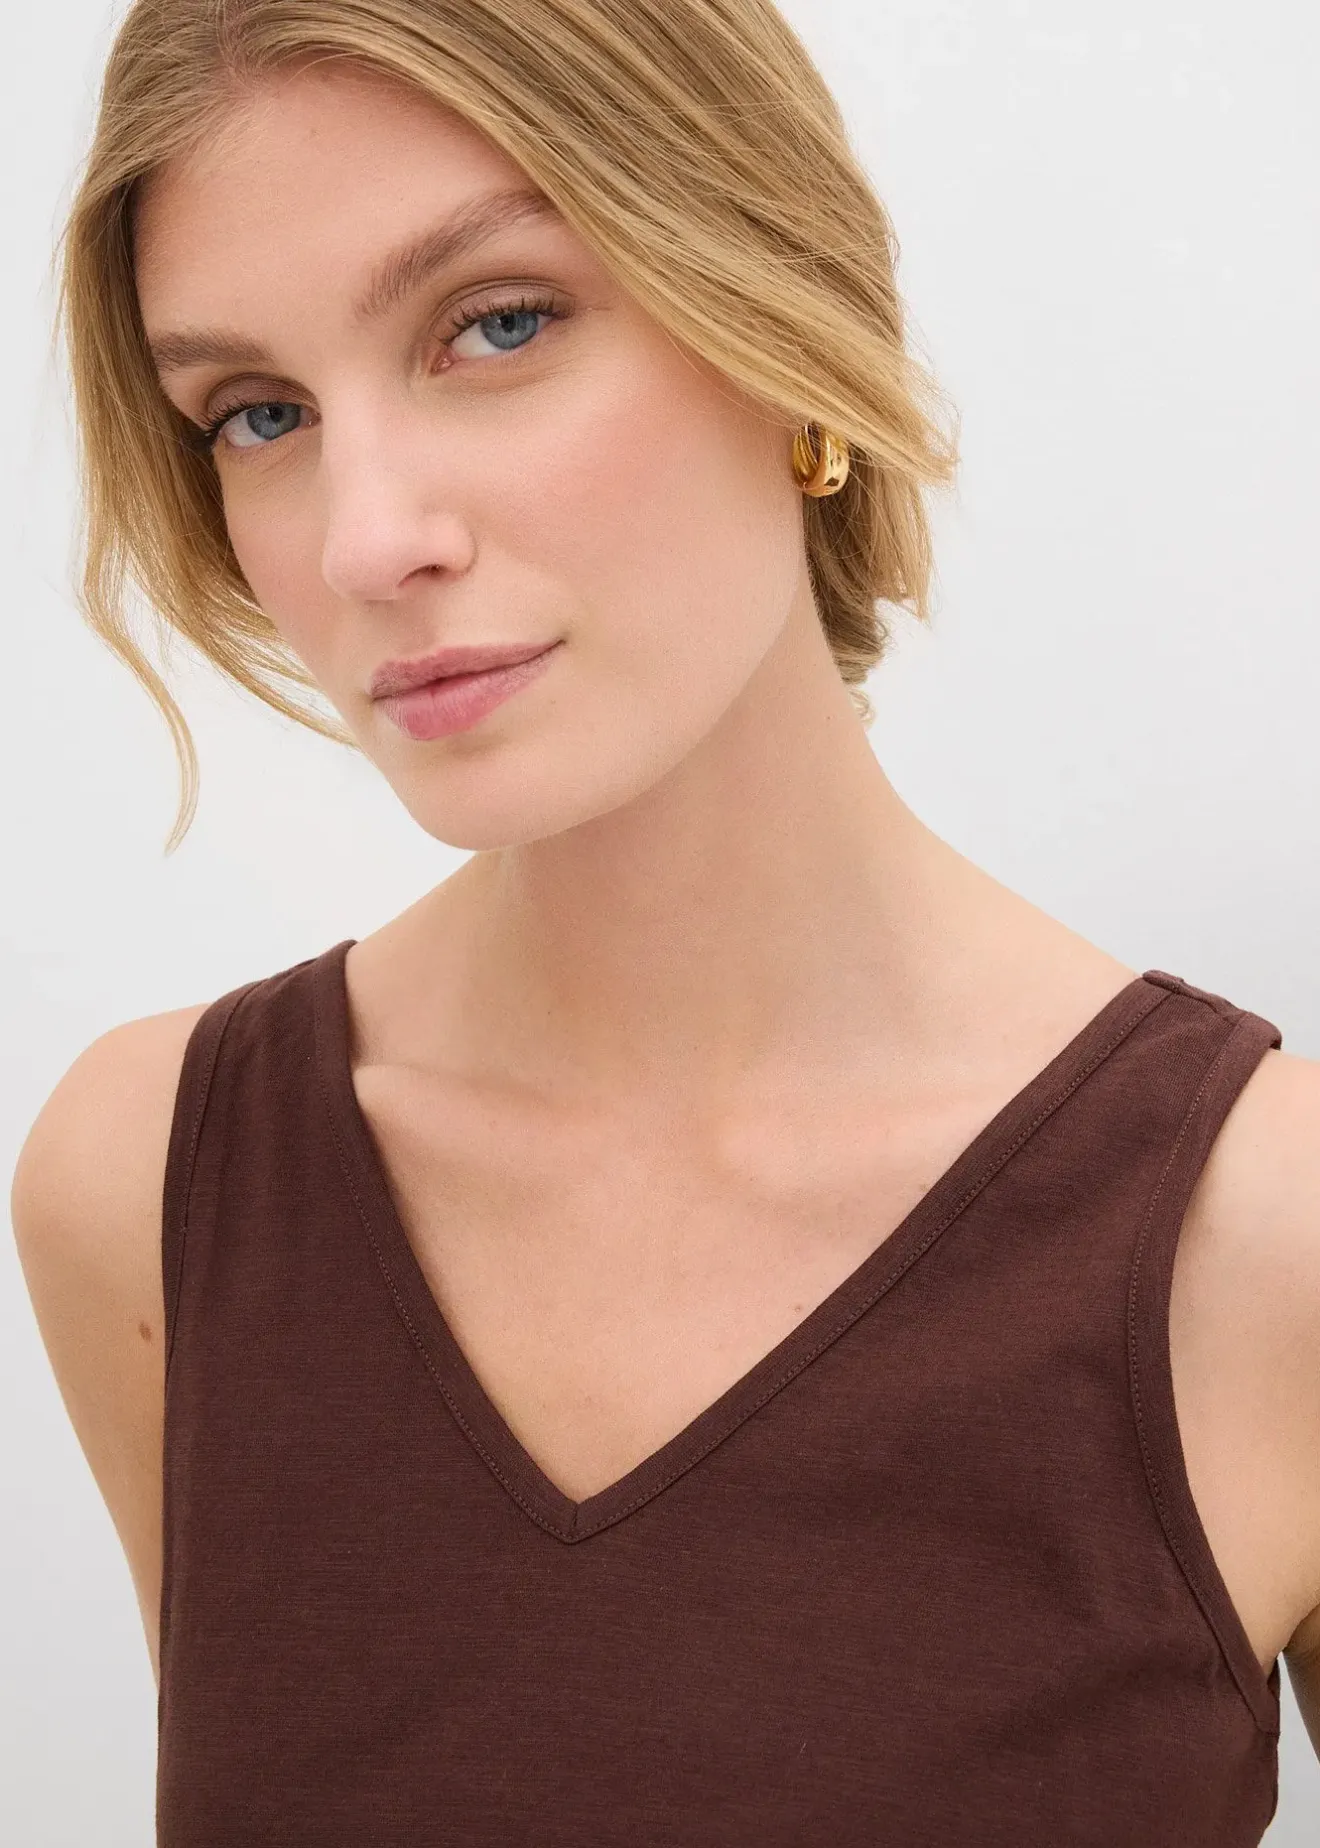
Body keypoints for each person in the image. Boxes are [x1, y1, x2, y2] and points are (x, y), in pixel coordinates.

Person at [9, 1, 1319, 1842]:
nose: (367, 539)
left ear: (784, 327)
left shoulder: (1268, 1248)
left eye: (497, 323)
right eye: (261, 413)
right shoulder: (151, 1186)